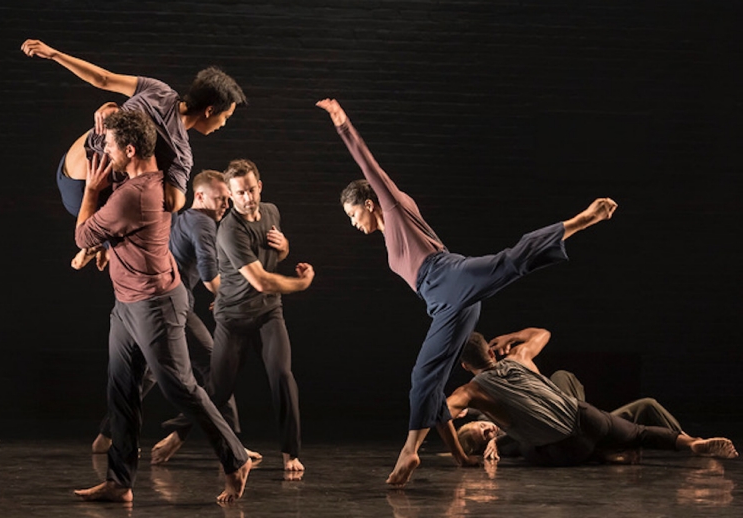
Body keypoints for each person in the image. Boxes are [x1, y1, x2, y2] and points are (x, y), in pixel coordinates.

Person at [316, 98, 619, 487]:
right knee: (427, 378)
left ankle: (580, 220)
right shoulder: (390, 229)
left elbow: (368, 166)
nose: (353, 224)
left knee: (509, 262)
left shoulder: (392, 207)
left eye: (352, 215)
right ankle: (457, 455)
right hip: (443, 305)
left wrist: (343, 125)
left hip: (448, 277)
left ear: (369, 203)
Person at [73, 110, 251, 504]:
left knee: (180, 387)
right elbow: (143, 151)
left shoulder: (135, 196)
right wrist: (108, 123)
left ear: (132, 149)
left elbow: (83, 233)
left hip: (155, 305)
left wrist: (89, 189)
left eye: (113, 148)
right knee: (121, 389)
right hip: (126, 304)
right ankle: (120, 481)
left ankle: (235, 458)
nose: (107, 154)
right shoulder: (147, 176)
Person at [21, 39, 246, 265]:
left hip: (68, 163)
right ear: (209, 111)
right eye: (225, 117)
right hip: (85, 192)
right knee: (165, 215)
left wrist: (54, 54)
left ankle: (105, 241)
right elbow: (174, 203)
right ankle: (105, 242)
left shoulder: (159, 89)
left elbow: (103, 78)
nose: (223, 124)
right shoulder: (180, 152)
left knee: (140, 186)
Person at [153, 158, 315, 473]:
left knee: (282, 375)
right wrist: (302, 283)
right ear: (232, 193)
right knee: (217, 389)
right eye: (239, 193)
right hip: (233, 319)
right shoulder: (228, 229)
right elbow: (261, 280)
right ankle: (178, 435)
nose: (246, 198)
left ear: (260, 187)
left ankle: (290, 453)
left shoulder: (271, 212)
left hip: (268, 312)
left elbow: (274, 254)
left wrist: (284, 247)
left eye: (251, 190)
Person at [89, 169, 261, 462]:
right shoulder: (203, 223)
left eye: (226, 199)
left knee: (149, 374)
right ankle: (232, 445)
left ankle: (107, 433)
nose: (225, 205)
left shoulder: (181, 219)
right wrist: (225, 299)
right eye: (221, 199)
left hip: (150, 306)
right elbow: (208, 272)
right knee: (215, 365)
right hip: (171, 308)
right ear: (201, 196)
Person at [443, 330, 738, 469]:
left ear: (466, 366)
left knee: (531, 448)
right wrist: (511, 337)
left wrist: (460, 457)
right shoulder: (519, 357)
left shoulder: (471, 392)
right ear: (491, 352)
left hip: (566, 447)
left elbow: (438, 412)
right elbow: (542, 333)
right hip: (585, 417)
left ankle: (609, 456)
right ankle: (690, 443)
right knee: (641, 433)